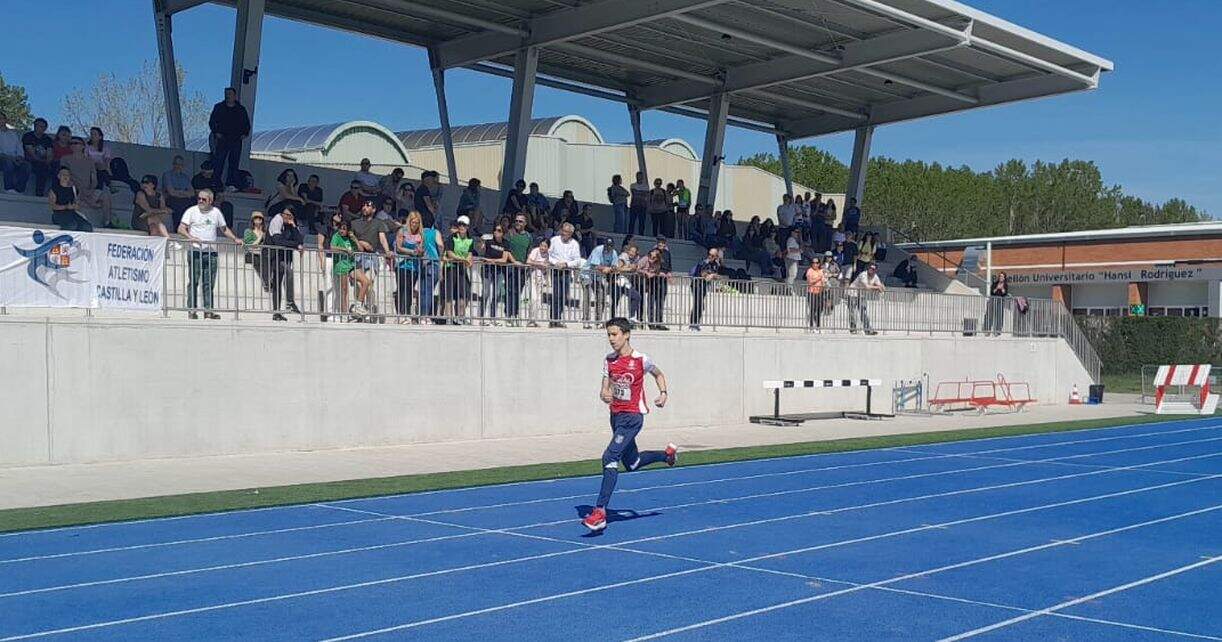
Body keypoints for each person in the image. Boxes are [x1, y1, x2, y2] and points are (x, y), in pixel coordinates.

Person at [582, 318, 677, 532]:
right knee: (632, 463)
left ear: (626, 335)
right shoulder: (609, 360)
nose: (611, 339)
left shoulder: (641, 359)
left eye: (614, 334)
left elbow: (658, 374)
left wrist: (663, 394)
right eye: (608, 335)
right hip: (615, 416)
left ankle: (600, 512)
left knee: (609, 457)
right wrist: (604, 394)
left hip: (633, 417)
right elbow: (605, 387)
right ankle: (667, 455)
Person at [178, 189, 241, 319]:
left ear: (210, 201)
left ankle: (208, 310)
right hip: (195, 251)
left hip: (211, 252)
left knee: (209, 282)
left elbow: (224, 229)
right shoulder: (191, 211)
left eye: (204, 199)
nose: (200, 201)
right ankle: (192, 310)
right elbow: (181, 228)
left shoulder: (216, 212)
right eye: (199, 198)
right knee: (194, 281)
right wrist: (191, 237)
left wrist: (235, 238)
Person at [351, 198, 394, 317]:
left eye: (368, 206)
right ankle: (362, 308)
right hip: (357, 257)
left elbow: (382, 238)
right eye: (364, 205)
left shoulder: (379, 223)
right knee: (360, 284)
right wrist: (362, 243)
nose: (365, 207)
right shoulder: (354, 223)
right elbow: (350, 239)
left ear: (374, 209)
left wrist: (387, 251)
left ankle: (368, 308)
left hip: (371, 257)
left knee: (368, 282)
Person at [59, 137, 112, 228]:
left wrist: (91, 189)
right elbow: (65, 176)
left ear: (83, 146)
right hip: (73, 190)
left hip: (88, 190)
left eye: (76, 143)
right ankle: (89, 204)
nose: (73, 145)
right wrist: (82, 191)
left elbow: (94, 178)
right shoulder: (65, 159)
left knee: (105, 196)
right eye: (71, 143)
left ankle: (107, 222)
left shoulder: (90, 161)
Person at [208, 87, 251, 190]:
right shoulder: (219, 107)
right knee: (219, 161)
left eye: (230, 94)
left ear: (234, 96)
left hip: (236, 139)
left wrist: (245, 133)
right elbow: (212, 121)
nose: (228, 96)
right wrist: (216, 132)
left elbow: (246, 124)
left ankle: (231, 183)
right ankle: (216, 183)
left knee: (234, 162)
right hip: (223, 138)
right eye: (226, 94)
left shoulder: (240, 109)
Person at [330, 218, 371, 320]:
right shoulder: (336, 236)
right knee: (344, 290)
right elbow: (332, 247)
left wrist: (355, 239)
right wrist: (345, 250)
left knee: (366, 281)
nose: (342, 231)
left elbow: (361, 249)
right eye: (340, 229)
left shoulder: (350, 238)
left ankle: (358, 305)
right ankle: (344, 313)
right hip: (341, 264)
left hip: (351, 264)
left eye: (344, 229)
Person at [477, 224, 518, 324]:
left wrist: (491, 260)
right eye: (495, 230)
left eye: (499, 230)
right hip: (487, 270)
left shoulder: (506, 243)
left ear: (503, 233)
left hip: (498, 271)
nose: (496, 232)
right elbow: (481, 251)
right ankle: (481, 318)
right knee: (485, 293)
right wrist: (481, 242)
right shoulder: (489, 241)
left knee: (496, 294)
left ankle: (493, 318)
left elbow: (504, 260)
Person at [548, 222, 583, 326]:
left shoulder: (574, 244)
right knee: (556, 295)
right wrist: (556, 263)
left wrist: (566, 264)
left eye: (567, 232)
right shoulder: (554, 240)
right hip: (555, 270)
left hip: (566, 271)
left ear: (571, 234)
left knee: (563, 296)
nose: (564, 233)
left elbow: (577, 260)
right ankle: (553, 319)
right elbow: (547, 255)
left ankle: (558, 319)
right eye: (563, 231)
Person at [443, 215, 476, 323]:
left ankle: (460, 316)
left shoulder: (470, 240)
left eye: (464, 225)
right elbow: (450, 253)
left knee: (464, 293)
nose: (461, 227)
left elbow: (470, 254)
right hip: (451, 268)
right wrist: (463, 259)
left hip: (462, 268)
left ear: (467, 227)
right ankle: (449, 317)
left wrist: (468, 261)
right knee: (449, 293)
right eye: (460, 224)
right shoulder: (452, 237)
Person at [393, 211, 425, 320]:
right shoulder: (402, 231)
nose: (414, 225)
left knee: (409, 289)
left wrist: (420, 251)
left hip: (414, 266)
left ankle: (406, 313)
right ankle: (401, 313)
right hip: (402, 264)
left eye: (417, 223)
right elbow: (399, 248)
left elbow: (421, 250)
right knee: (402, 288)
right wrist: (411, 252)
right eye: (413, 222)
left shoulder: (420, 235)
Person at [504, 213, 532, 321]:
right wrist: (514, 261)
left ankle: (515, 314)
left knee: (518, 291)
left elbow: (529, 251)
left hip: (522, 268)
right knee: (509, 290)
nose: (518, 223)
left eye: (520, 221)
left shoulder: (528, 236)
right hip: (511, 266)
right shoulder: (510, 233)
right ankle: (508, 314)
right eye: (516, 221)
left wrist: (527, 264)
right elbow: (506, 250)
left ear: (525, 223)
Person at [47, 167, 92, 232]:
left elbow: (78, 203)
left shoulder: (74, 189)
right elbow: (52, 206)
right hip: (58, 214)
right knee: (71, 225)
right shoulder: (54, 189)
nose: (65, 176)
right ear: (59, 176)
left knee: (87, 226)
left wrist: (75, 206)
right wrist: (66, 207)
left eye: (67, 175)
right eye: (63, 174)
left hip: (72, 213)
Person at [191, 161, 233, 228]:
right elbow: (197, 193)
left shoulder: (216, 179)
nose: (208, 175)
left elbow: (221, 193)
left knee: (227, 206)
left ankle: (227, 228)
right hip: (202, 201)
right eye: (206, 173)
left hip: (216, 201)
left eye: (210, 172)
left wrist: (219, 201)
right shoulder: (197, 179)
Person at [689, 247, 722, 331]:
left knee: (700, 305)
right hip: (696, 285)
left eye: (713, 255)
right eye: (709, 254)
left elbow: (715, 276)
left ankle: (696, 324)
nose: (710, 257)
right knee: (698, 304)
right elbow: (704, 275)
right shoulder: (703, 262)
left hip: (703, 286)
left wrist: (713, 276)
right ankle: (693, 324)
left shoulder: (715, 265)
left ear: (716, 257)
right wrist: (711, 276)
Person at [21, 117, 54, 196]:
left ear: (45, 128)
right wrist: (42, 161)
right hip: (29, 160)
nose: (39, 128)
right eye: (38, 126)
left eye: (42, 126)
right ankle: (37, 193)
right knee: (40, 168)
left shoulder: (47, 139)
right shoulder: (28, 136)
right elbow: (31, 153)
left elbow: (50, 153)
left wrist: (48, 161)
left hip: (43, 162)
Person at [849, 262, 884, 335]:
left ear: (875, 270)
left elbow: (881, 286)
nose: (871, 270)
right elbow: (866, 286)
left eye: (873, 269)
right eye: (870, 268)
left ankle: (868, 329)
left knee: (863, 312)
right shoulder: (863, 274)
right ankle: (853, 328)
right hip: (852, 293)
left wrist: (881, 287)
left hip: (862, 295)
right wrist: (877, 287)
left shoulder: (875, 276)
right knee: (853, 311)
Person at [0, 111, 31, 195]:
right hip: (3, 158)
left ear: (5, 120)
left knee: (27, 166)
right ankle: (8, 188)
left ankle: (19, 190)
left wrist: (20, 157)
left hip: (15, 158)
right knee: (8, 162)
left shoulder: (13, 134)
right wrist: (10, 158)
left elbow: (19, 147)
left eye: (2, 118)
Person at [162, 155, 195, 231]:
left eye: (180, 165)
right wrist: (184, 192)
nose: (178, 166)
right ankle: (178, 229)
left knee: (194, 203)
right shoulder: (167, 175)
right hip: (171, 199)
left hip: (184, 199)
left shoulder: (185, 177)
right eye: (176, 164)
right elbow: (171, 192)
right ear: (173, 164)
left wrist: (179, 192)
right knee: (178, 205)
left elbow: (192, 192)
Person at [526, 237, 551, 325]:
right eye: (541, 245)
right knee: (533, 298)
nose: (542, 248)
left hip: (541, 278)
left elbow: (547, 265)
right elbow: (528, 261)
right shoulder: (535, 251)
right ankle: (530, 318)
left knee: (538, 300)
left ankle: (534, 319)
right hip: (533, 276)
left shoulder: (548, 254)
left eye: (545, 246)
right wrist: (539, 263)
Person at [805, 256, 828, 330]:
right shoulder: (809, 271)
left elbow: (823, 280)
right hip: (812, 292)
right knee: (813, 308)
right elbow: (810, 281)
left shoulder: (821, 271)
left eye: (817, 263)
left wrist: (824, 282)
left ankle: (818, 325)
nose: (815, 264)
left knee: (819, 309)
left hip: (820, 292)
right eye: (813, 263)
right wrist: (819, 277)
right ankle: (811, 325)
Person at [985, 271, 1009, 335]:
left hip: (1000, 301)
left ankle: (998, 331)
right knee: (990, 314)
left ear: (1004, 278)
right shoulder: (995, 283)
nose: (1001, 277)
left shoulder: (1005, 285)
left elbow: (1005, 293)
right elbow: (992, 292)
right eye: (1000, 276)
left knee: (999, 315)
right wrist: (997, 288)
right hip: (993, 300)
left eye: (1002, 276)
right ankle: (988, 330)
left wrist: (1002, 289)